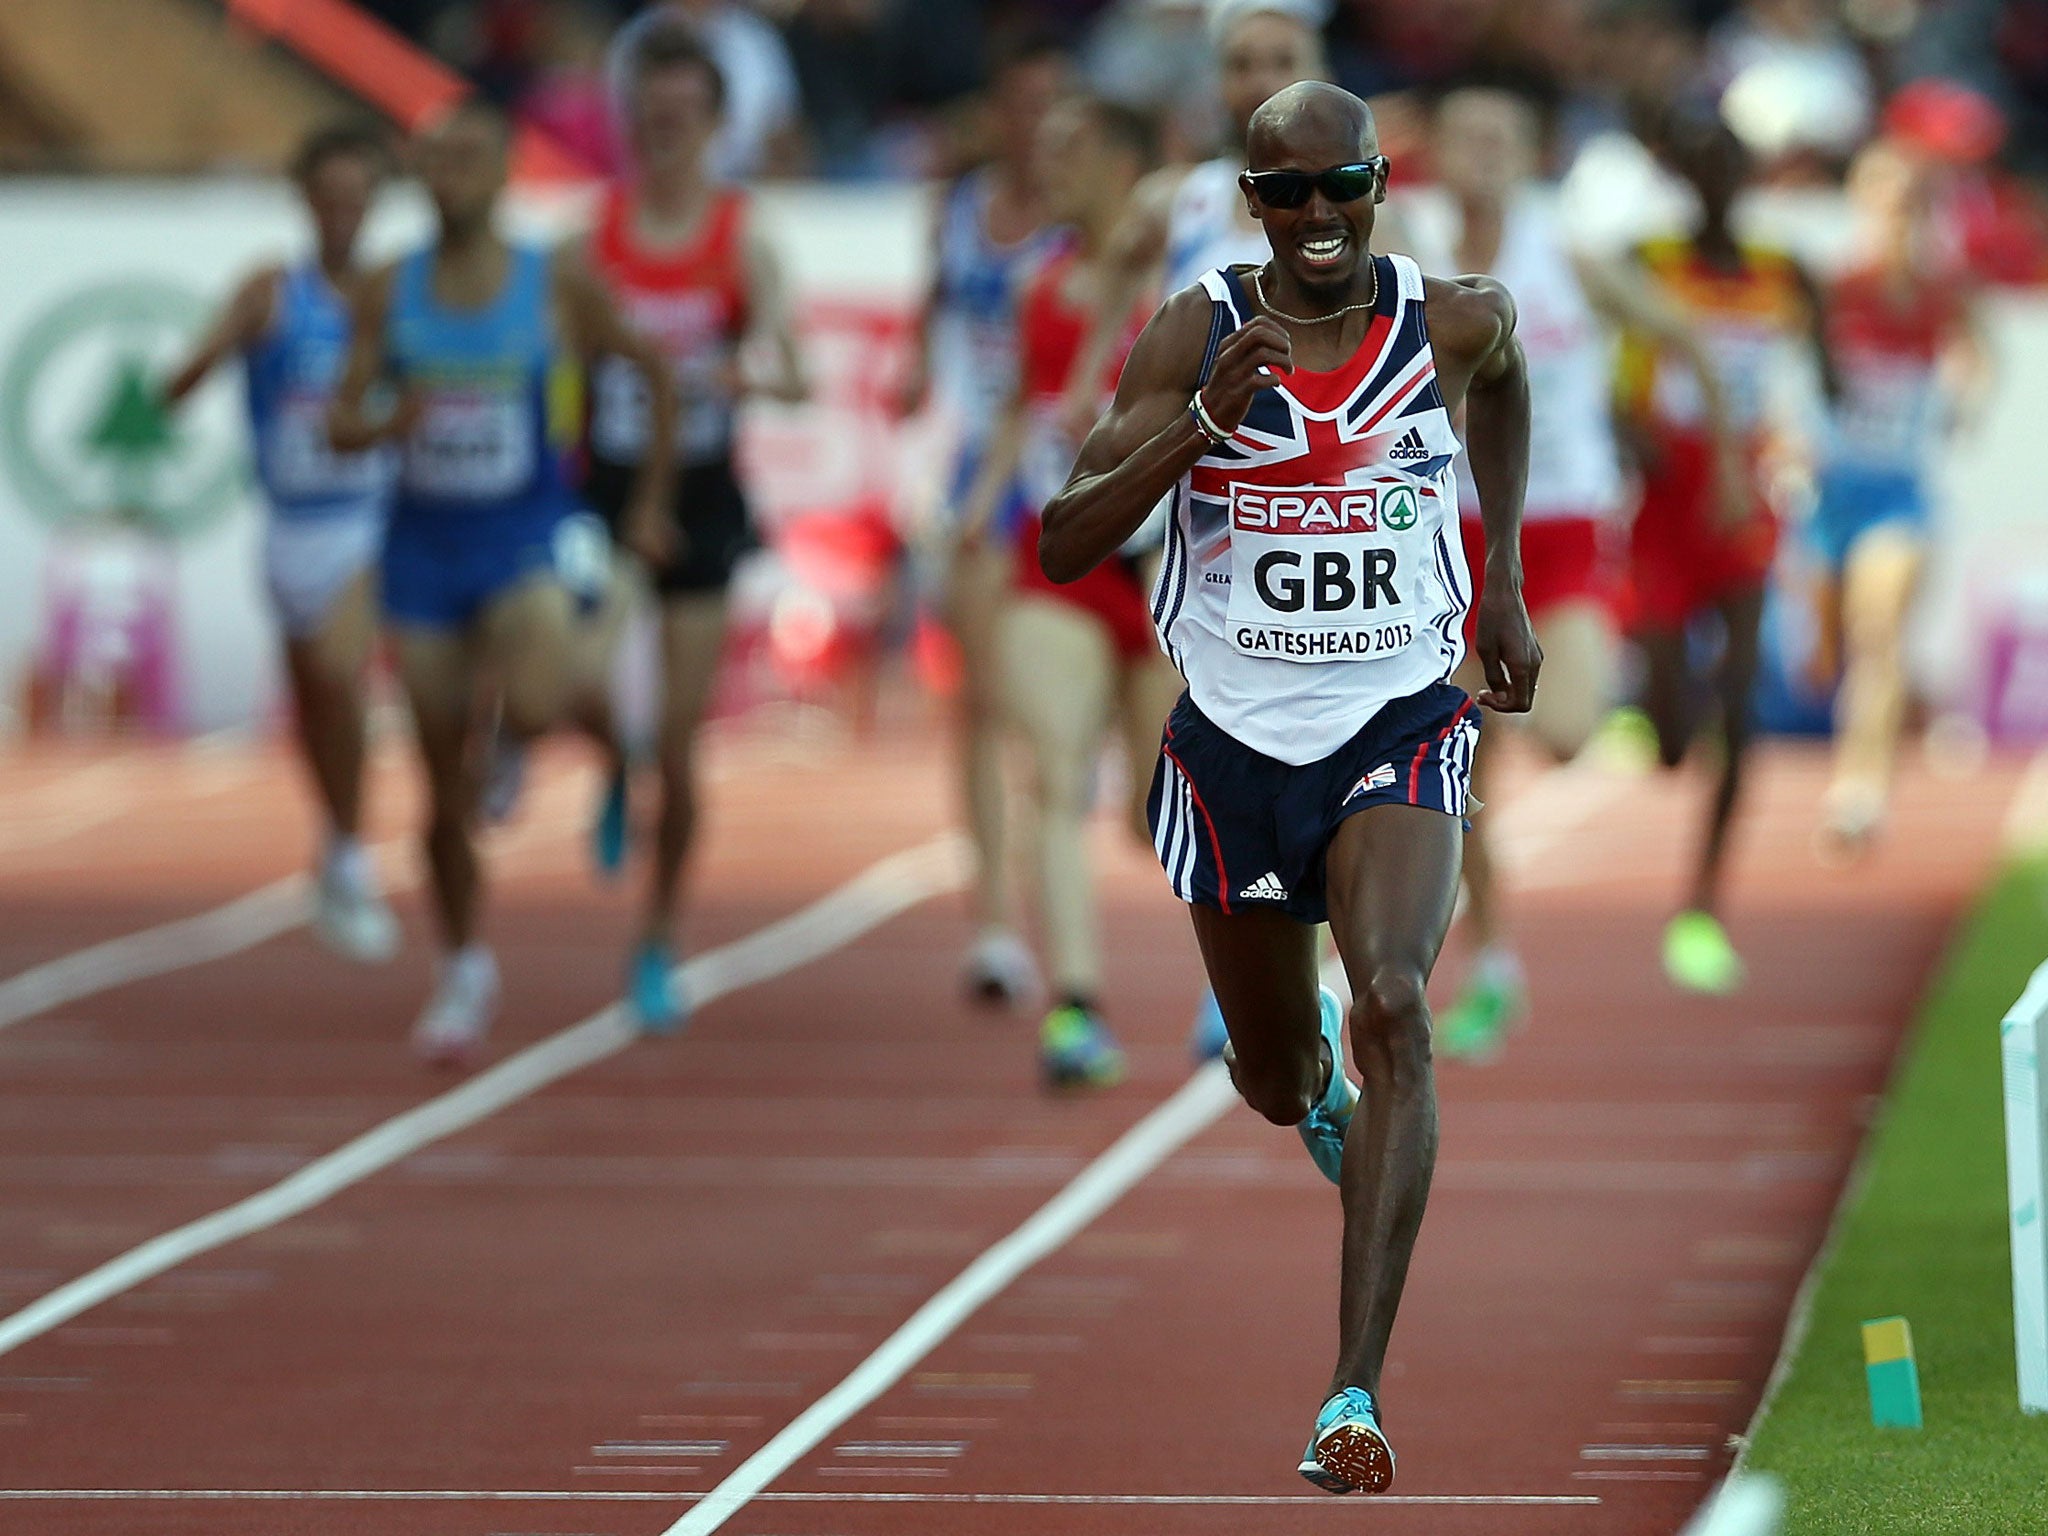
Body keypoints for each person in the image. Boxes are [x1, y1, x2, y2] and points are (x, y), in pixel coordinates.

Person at [1039, 81, 1538, 1493]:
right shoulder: (1195, 331)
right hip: (1236, 745)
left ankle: (1351, 1397)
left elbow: (1504, 379)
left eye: (1343, 188)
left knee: (1396, 1001)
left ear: (1383, 184)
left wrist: (1500, 579)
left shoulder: (1451, 319)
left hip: (1396, 715)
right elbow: (1065, 542)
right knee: (1273, 1080)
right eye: (1286, 194)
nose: (1318, 219)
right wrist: (1200, 425)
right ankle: (1309, 1085)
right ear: (1249, 200)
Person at [329, 100, 677, 1064]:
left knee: (533, 691)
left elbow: (651, 368)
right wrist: (386, 422)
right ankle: (463, 966)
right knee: (441, 786)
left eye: (469, 158)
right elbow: (341, 420)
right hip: (423, 548)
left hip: (526, 532)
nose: (449, 175)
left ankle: (581, 744)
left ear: (500, 174)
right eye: (433, 159)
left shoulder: (554, 280)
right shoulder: (389, 287)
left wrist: (647, 501)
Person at [1404, 81, 1740, 1057]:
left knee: (1563, 726)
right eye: (1463, 132)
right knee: (1451, 768)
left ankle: (1532, 740)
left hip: (1554, 530)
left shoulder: (1563, 254)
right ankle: (1494, 961)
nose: (1481, 150)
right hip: (1436, 538)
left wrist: (1715, 460)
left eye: (1499, 135)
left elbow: (1690, 343)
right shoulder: (1405, 264)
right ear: (1434, 148)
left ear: (1528, 153)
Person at [1065, 0, 1351, 1060]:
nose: (1259, 77)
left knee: (1301, 737)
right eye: (1241, 62)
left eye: (1281, 59)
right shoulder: (1178, 198)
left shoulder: (1355, 208)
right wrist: (1090, 378)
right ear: (1215, 80)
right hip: (1200, 503)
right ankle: (1251, 967)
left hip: (1314, 517)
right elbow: (1110, 277)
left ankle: (1293, 971)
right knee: (1199, 750)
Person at [578, 20, 808, 1029]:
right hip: (601, 488)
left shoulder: (740, 234)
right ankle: (609, 757)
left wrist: (743, 368)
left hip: (703, 496)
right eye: (651, 113)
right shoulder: (588, 236)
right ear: (629, 119)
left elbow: (793, 369)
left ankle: (657, 940)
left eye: (684, 115)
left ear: (716, 123)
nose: (665, 130)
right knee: (557, 681)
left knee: (680, 746)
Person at [960, 95, 1172, 1089]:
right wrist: (975, 499)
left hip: (1173, 572)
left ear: (1122, 163)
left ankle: (1267, 973)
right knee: (1048, 772)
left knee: (1156, 813)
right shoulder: (1033, 285)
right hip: (1057, 557)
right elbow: (1022, 408)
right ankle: (1074, 1009)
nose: (1050, 170)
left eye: (1070, 150)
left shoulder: (1185, 286)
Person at [162, 123, 401, 965]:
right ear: (305, 201)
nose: (342, 214)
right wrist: (222, 346)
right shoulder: (271, 290)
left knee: (345, 673)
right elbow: (176, 387)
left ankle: (353, 856)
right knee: (318, 707)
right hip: (290, 527)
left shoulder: (390, 294)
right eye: (328, 199)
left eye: (357, 200)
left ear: (374, 205)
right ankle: (338, 843)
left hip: (367, 518)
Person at [1615, 109, 1829, 996]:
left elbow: (1827, 376)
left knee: (1739, 704)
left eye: (1729, 166)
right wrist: (1637, 441)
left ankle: (1703, 902)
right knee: (1671, 736)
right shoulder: (1647, 260)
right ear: (1681, 178)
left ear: (1748, 178)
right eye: (1699, 166)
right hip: (1667, 501)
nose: (1715, 183)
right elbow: (1612, 385)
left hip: (1740, 495)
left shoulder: (1785, 271)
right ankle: (1665, 714)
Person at [898, 36, 1068, 1010]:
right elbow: (930, 312)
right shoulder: (957, 214)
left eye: (1054, 110)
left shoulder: (1092, 227)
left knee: (1046, 712)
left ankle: (1043, 875)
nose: (1037, 127)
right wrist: (917, 372)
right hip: (973, 469)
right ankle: (996, 923)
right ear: (996, 115)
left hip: (1065, 471)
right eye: (1022, 106)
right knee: (976, 706)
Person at [1806, 138, 1988, 854]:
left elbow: (1977, 355)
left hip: (1898, 492)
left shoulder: (1945, 292)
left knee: (1879, 631)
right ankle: (1856, 722)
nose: (1897, 217)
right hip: (1824, 493)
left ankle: (1859, 791)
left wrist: (1964, 394)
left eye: (1911, 204)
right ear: (1860, 203)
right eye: (1884, 201)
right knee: (1825, 656)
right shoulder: (1832, 285)